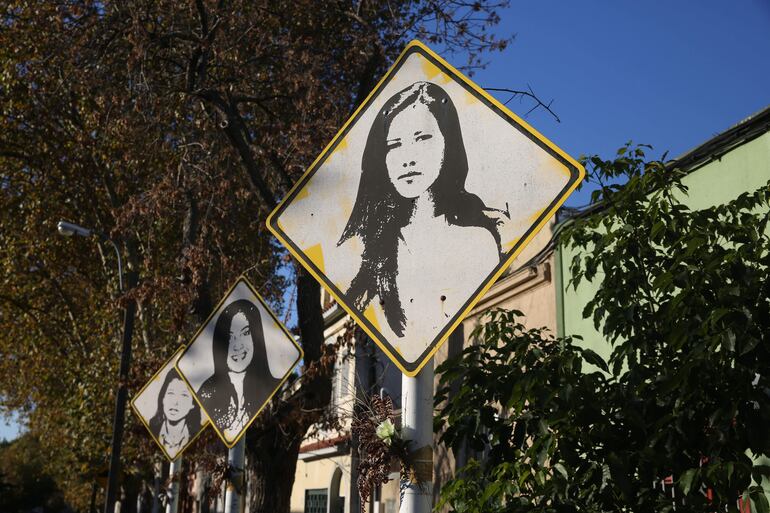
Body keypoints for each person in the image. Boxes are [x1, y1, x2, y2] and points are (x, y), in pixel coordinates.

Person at [338, 81, 503, 351]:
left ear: (447, 143)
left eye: (422, 138)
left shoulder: (477, 242)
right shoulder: (364, 249)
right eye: (394, 145)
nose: (407, 158)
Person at [197, 299, 280, 441]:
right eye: (230, 337)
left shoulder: (275, 388)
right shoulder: (207, 392)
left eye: (245, 333)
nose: (237, 345)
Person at [149, 369, 201, 458]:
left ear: (193, 404)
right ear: (163, 398)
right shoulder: (151, 430)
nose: (175, 402)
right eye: (171, 393)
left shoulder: (199, 437)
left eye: (183, 395)